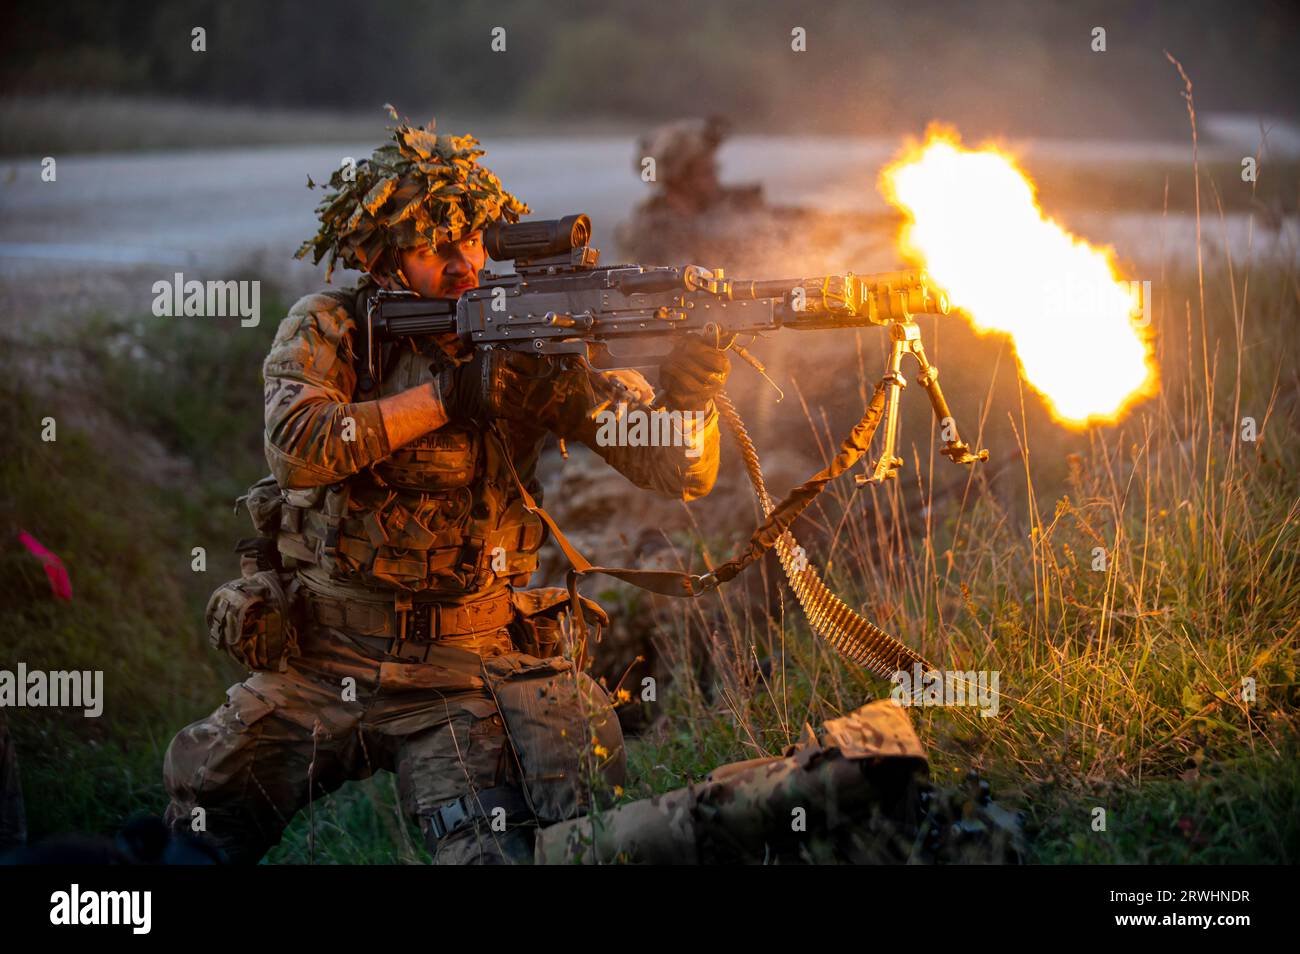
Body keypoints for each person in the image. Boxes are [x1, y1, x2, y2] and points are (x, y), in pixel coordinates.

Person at [161, 114, 730, 864]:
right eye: (434, 248)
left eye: (472, 242)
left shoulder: (526, 346)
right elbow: (301, 450)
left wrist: (695, 388)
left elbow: (677, 469)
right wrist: (452, 396)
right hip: (319, 658)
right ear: (380, 258)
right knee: (199, 826)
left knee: (487, 850)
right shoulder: (333, 328)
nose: (463, 264)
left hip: (466, 673)